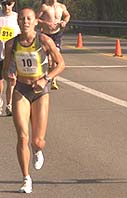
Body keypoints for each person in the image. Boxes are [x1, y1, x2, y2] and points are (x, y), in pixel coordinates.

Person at [3, 7, 65, 193]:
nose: (25, 22)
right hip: (21, 90)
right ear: (18, 22)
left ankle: (38, 150)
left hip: (40, 91)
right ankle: (26, 178)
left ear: (35, 21)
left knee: (37, 141)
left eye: (29, 18)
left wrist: (45, 79)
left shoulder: (44, 41)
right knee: (22, 136)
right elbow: (6, 70)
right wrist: (11, 76)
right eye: (22, 19)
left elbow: (61, 64)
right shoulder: (11, 44)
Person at [36, 0, 70, 90]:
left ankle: (53, 80)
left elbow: (67, 15)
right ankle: (45, 76)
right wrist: (45, 23)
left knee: (55, 58)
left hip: (57, 34)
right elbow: (36, 19)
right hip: (46, 34)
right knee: (48, 59)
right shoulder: (44, 7)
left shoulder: (61, 6)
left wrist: (64, 22)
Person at [0, 0, 20, 115]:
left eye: (9, 4)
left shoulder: (17, 18)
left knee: (12, 81)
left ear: (13, 4)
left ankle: (9, 105)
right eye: (4, 4)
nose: (6, 6)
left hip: (12, 55)